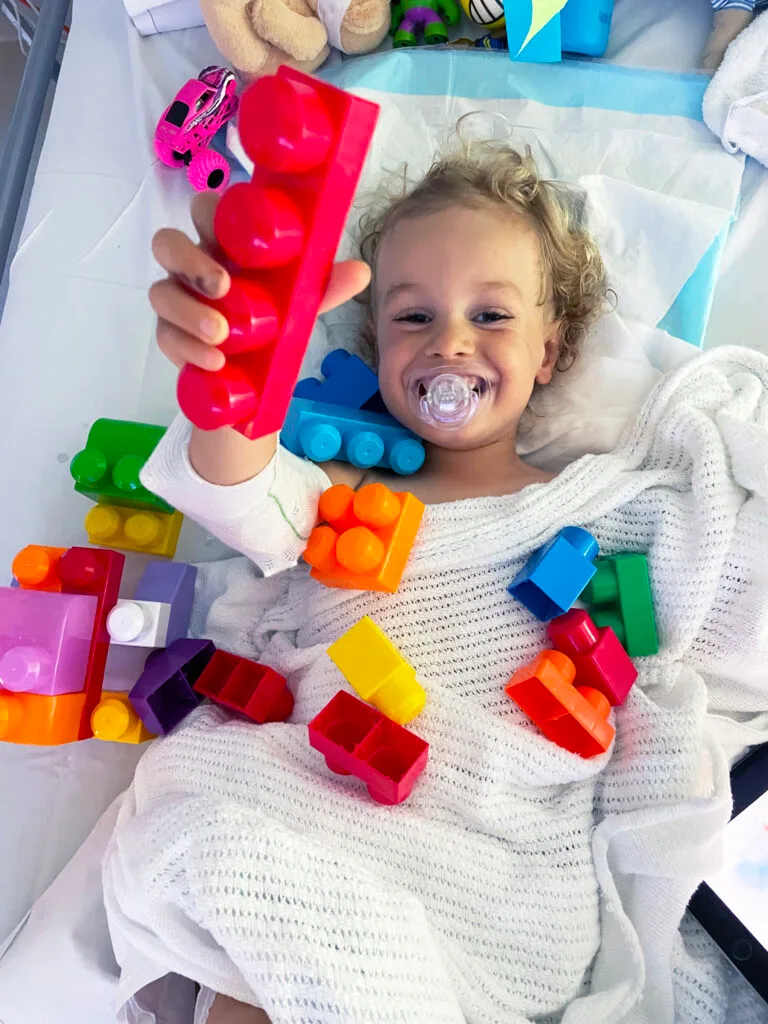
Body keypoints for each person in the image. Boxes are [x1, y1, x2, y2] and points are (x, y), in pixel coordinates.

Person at [103, 142, 768, 1024]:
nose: (451, 341)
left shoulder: (599, 504)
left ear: (548, 352)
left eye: (490, 315)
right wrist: (237, 384)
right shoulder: (343, 494)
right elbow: (239, 489)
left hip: (504, 842)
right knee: (255, 887)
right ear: (375, 346)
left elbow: (717, 582)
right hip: (320, 800)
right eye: (413, 318)